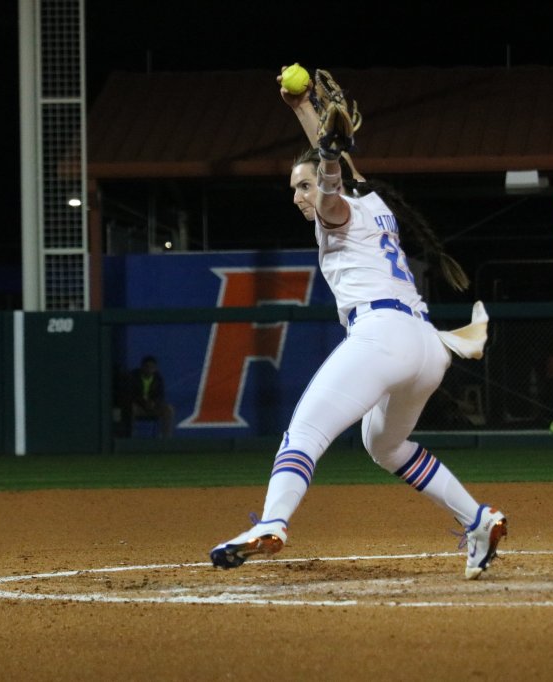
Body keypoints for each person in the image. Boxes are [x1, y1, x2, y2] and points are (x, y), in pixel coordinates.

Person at [209, 67, 507, 580]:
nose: (298, 195)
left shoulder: (337, 208)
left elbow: (330, 190)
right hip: (428, 347)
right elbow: (342, 169)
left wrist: (323, 162)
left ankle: (274, 521)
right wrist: (303, 110)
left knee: (302, 432)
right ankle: (478, 519)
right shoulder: (375, 203)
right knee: (385, 445)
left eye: (300, 185)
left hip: (383, 337)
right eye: (293, 188)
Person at [128, 355, 175, 438]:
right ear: (142, 367)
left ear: (155, 368)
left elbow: (161, 396)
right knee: (130, 409)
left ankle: (166, 438)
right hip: (139, 407)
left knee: (169, 410)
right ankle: (131, 436)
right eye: (147, 367)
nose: (149, 369)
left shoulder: (158, 379)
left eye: (152, 367)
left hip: (153, 407)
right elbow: (130, 394)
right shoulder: (133, 377)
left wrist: (154, 403)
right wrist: (143, 402)